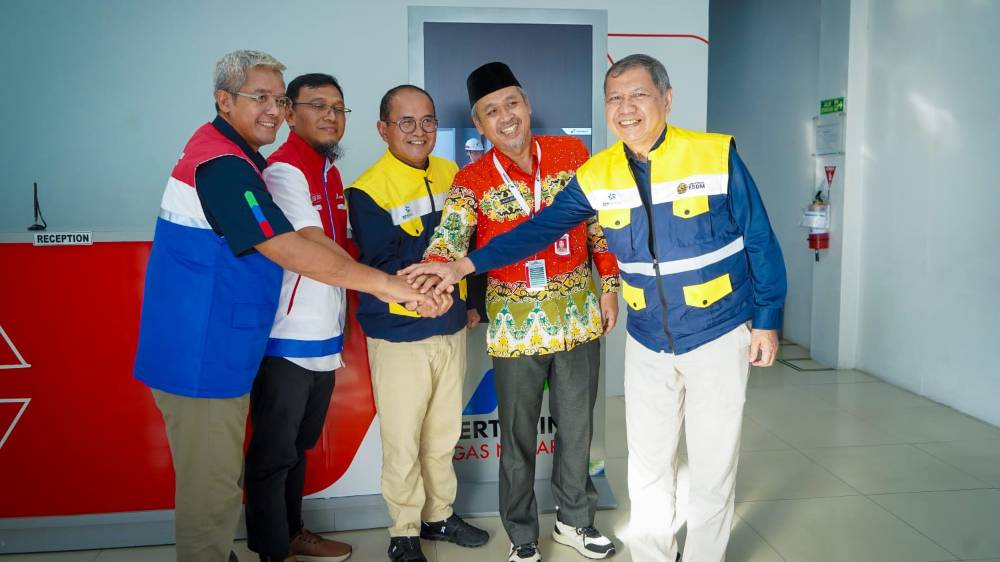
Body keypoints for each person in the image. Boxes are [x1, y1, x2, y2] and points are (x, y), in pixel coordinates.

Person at [402, 54, 787, 562]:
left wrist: (766, 318)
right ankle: (599, 548)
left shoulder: (693, 155)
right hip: (611, 335)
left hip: (684, 327)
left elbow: (757, 237)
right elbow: (528, 230)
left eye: (639, 95)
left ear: (666, 99)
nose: (626, 108)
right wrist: (454, 267)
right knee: (634, 462)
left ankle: (651, 542)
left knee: (697, 462)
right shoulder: (553, 175)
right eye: (615, 98)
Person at [133, 50, 437, 562]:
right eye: (262, 98)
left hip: (222, 348)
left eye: (278, 98)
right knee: (213, 493)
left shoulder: (243, 160)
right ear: (224, 101)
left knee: (223, 483)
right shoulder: (224, 166)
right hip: (200, 353)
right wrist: (391, 287)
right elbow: (292, 248)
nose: (274, 110)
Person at [417, 62, 621, 562]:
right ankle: (523, 535)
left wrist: (610, 285)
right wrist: (434, 272)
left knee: (578, 428)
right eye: (491, 111)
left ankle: (575, 521)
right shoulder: (471, 179)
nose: (505, 116)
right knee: (517, 436)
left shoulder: (571, 155)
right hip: (515, 326)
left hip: (578, 315)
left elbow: (598, 225)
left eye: (512, 103)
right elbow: (449, 239)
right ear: (479, 123)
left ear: (527, 105)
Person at [345, 84, 488, 562]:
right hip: (399, 334)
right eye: (405, 122)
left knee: (444, 433)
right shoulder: (367, 189)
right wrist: (424, 299)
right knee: (403, 438)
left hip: (451, 326)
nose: (418, 131)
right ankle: (404, 531)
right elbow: (383, 263)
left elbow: (471, 244)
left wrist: (472, 303)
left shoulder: (454, 174)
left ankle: (439, 515)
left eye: (427, 120)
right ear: (383, 129)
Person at [243, 73, 355, 562]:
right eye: (317, 105)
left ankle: (292, 532)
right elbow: (312, 245)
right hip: (286, 337)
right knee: (273, 452)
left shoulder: (329, 172)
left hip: (324, 333)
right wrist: (384, 283)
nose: (330, 115)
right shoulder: (285, 171)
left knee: (298, 446)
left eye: (338, 107)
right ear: (289, 113)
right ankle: (273, 549)